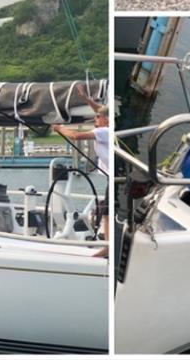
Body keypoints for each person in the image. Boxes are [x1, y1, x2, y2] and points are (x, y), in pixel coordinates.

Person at [51, 86, 110, 257]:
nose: (95, 119)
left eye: (97, 118)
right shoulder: (108, 125)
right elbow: (100, 110)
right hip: (110, 178)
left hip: (112, 178)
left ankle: (108, 247)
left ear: (105, 120)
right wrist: (85, 98)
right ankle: (107, 245)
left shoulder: (104, 131)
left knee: (106, 212)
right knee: (105, 211)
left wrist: (59, 128)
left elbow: (76, 136)